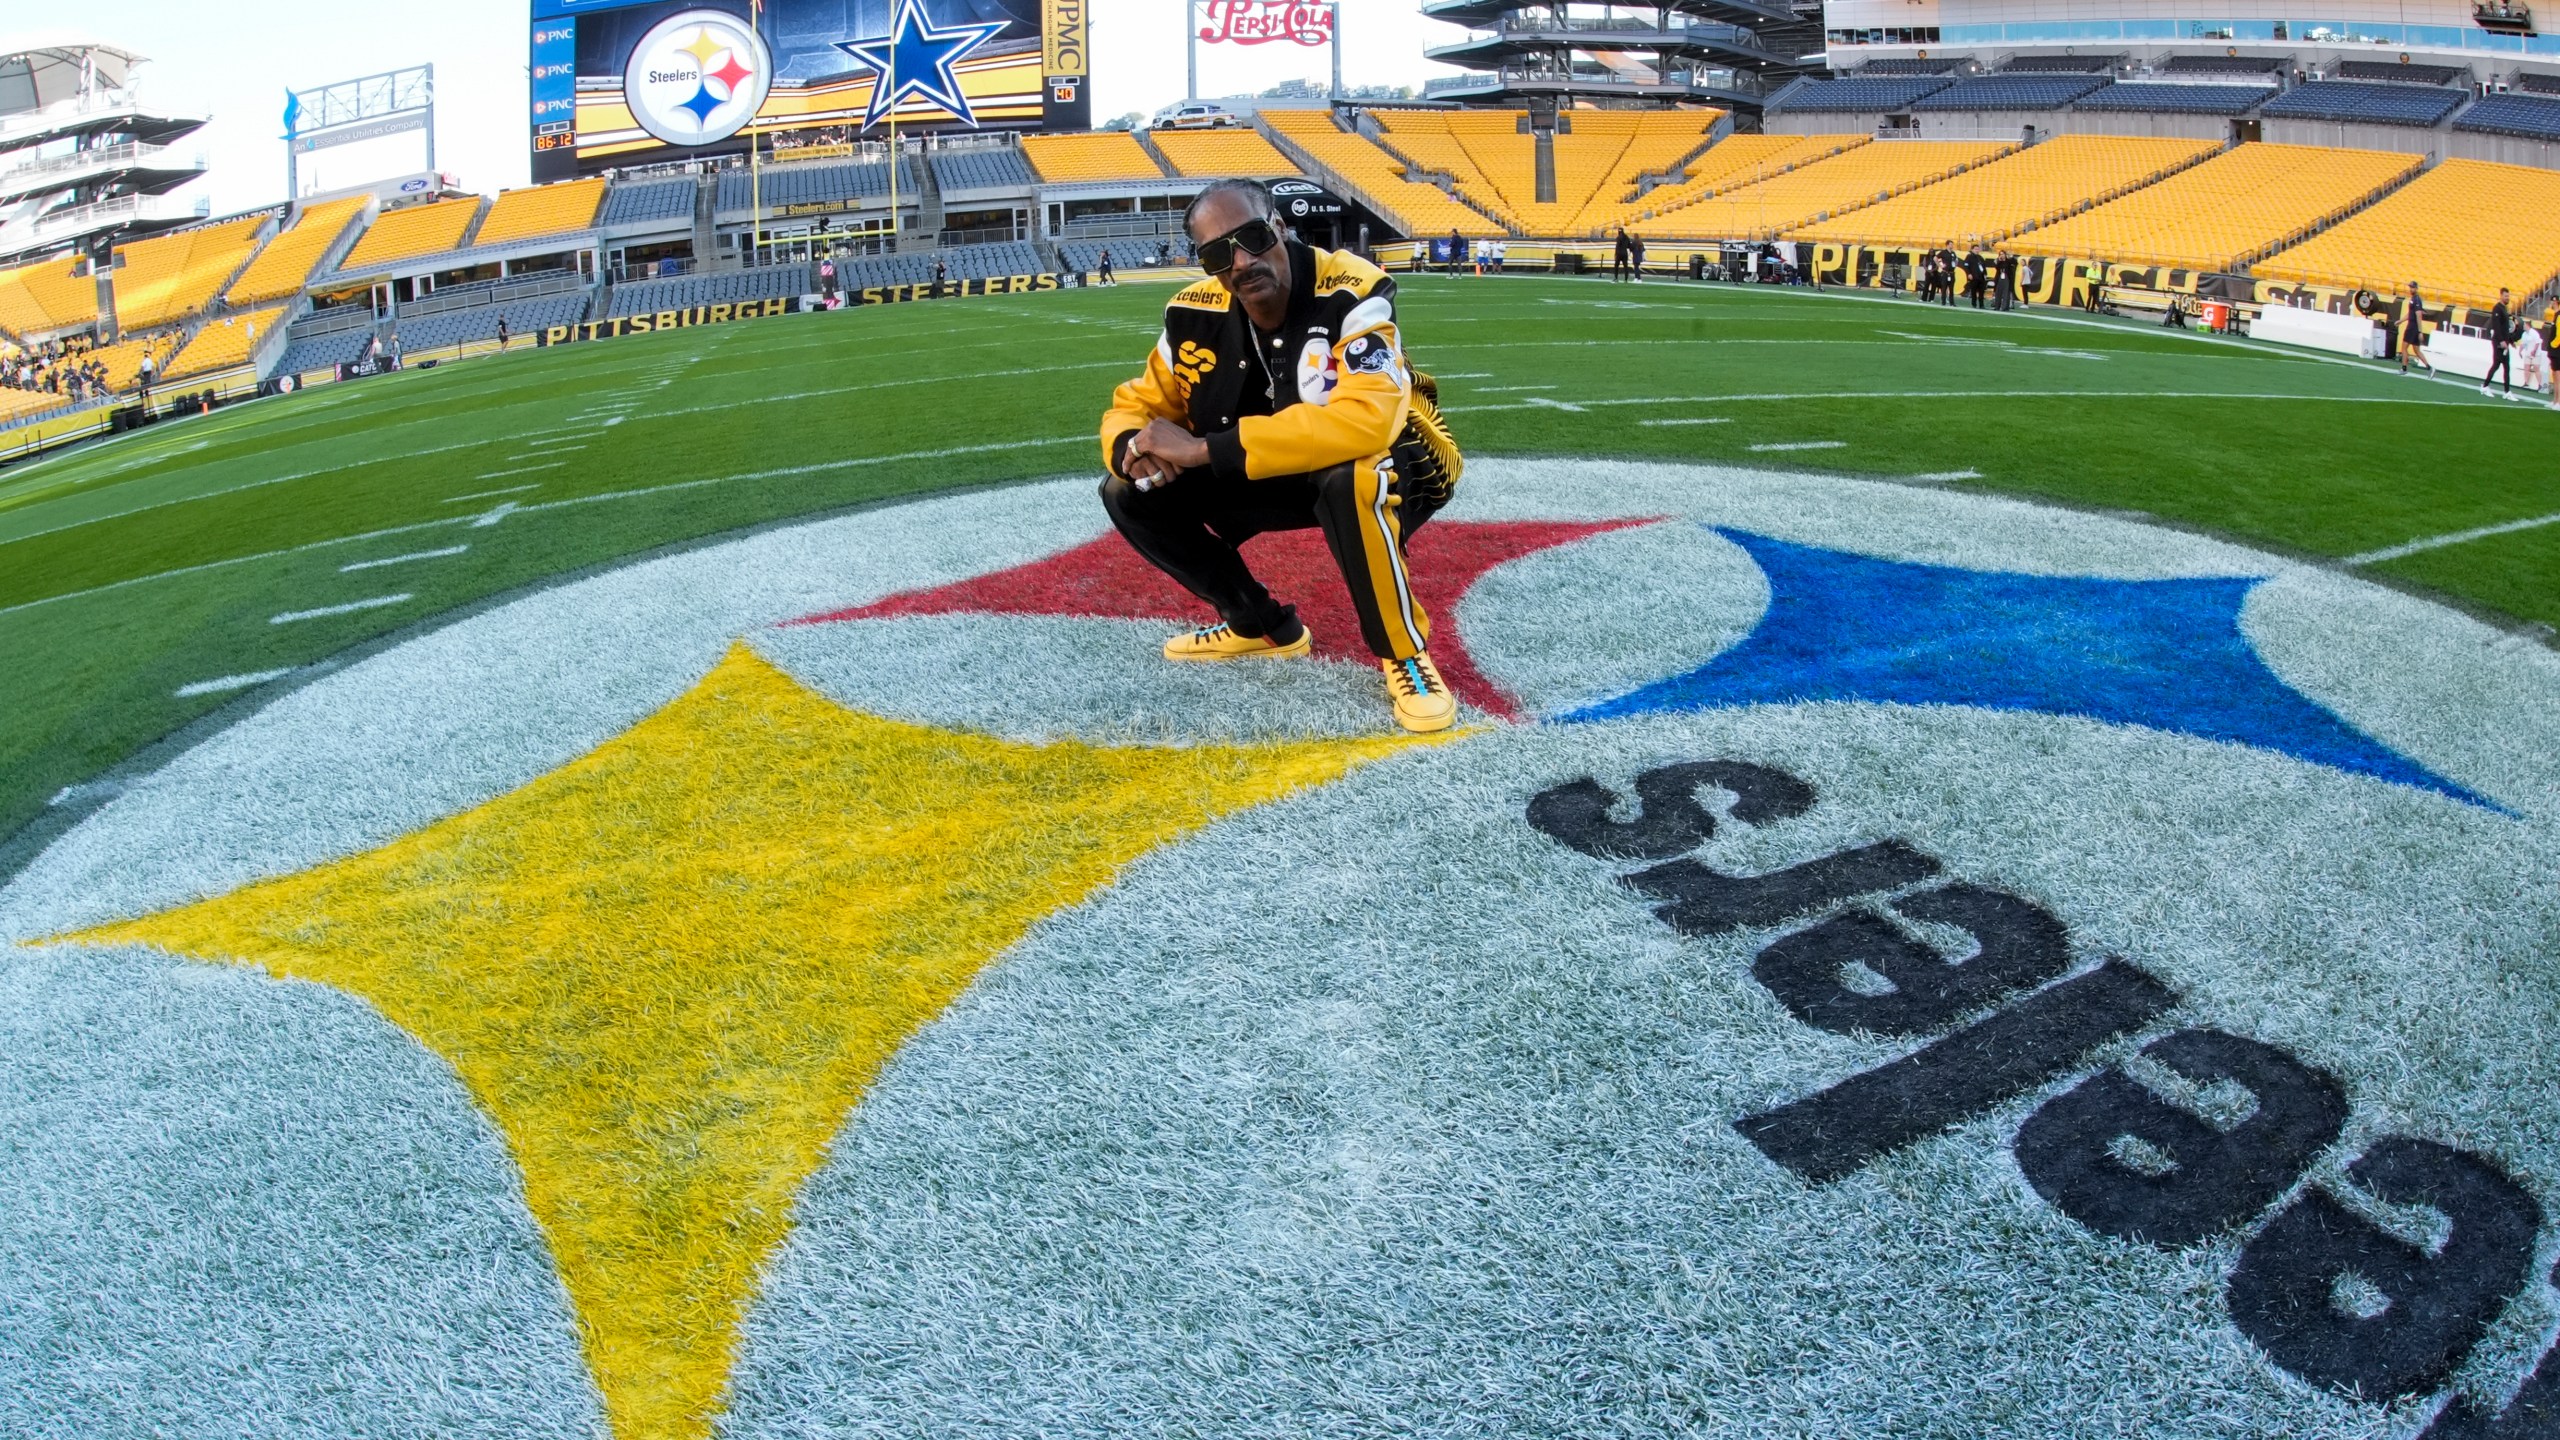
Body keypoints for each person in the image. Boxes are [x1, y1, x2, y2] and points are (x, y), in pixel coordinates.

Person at [1097, 178, 1467, 734]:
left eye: (1251, 237)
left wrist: (1202, 449)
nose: (1241, 262)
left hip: (1400, 457)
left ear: (1279, 226)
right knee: (1127, 492)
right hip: (1266, 465)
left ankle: (1404, 652)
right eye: (1218, 254)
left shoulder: (1354, 289)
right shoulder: (1192, 313)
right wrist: (1134, 449)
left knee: (1353, 476)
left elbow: (1368, 421)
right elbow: (1139, 403)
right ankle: (1260, 626)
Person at [2484, 287, 2516, 399]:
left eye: (2508, 296)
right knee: (2496, 365)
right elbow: (2497, 326)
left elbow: (2505, 328)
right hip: (2499, 343)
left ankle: (2507, 391)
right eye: (2506, 296)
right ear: (2501, 296)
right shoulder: (2497, 309)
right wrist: (2502, 341)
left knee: (2506, 367)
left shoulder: (2505, 309)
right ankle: (2485, 386)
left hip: (2505, 343)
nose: (2508, 298)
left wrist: (2510, 341)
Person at [2398, 281, 2434, 377]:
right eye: (2410, 287)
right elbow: (2410, 314)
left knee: (2404, 347)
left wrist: (2420, 331)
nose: (2411, 289)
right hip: (2413, 326)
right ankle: (2429, 368)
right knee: (2416, 350)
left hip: (2412, 327)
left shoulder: (2417, 300)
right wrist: (2401, 321)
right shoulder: (2413, 299)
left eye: (2413, 287)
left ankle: (2404, 368)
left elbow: (2418, 315)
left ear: (2416, 288)